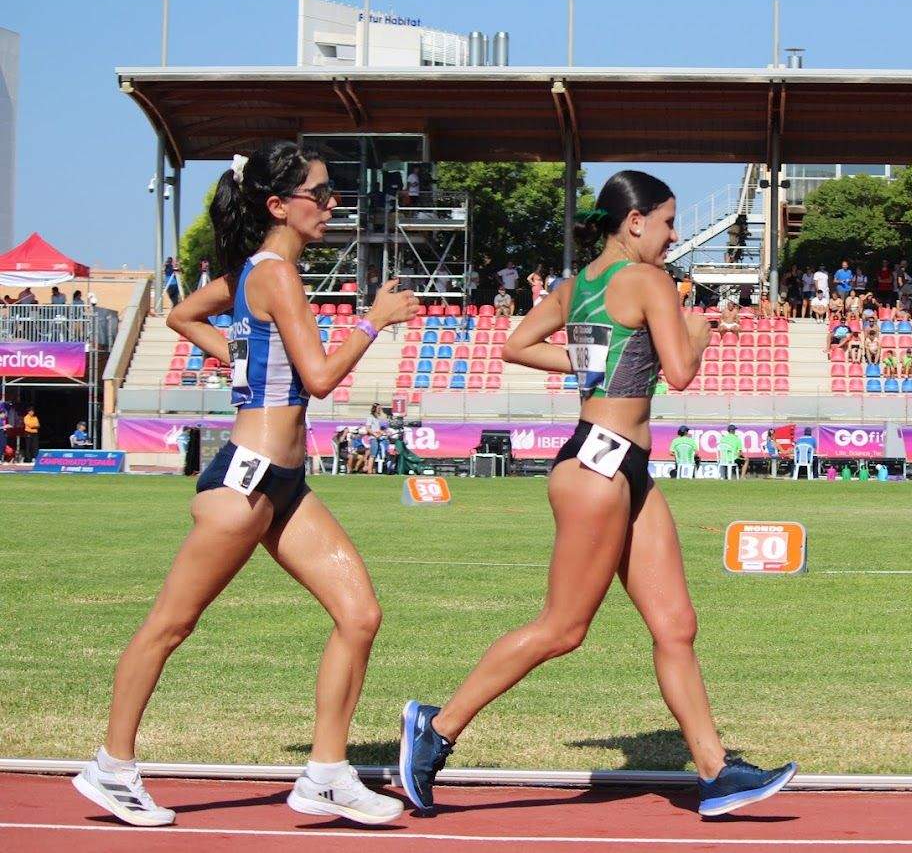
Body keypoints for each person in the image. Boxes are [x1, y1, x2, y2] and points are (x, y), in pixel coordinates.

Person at [397, 170, 796, 820]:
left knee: (675, 625)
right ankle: (436, 729)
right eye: (667, 223)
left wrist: (595, 362)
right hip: (598, 471)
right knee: (561, 628)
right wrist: (697, 335)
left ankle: (716, 770)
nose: (672, 237)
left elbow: (517, 345)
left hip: (618, 464)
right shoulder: (648, 282)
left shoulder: (576, 285)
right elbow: (679, 373)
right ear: (634, 222)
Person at [73, 142, 419, 827]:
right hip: (245, 484)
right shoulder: (275, 276)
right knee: (170, 626)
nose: (330, 204)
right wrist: (374, 321)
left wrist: (243, 363)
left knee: (359, 614)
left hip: (283, 483)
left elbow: (182, 317)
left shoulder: (255, 274)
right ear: (276, 205)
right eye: (318, 194)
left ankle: (325, 773)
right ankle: (111, 767)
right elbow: (319, 378)